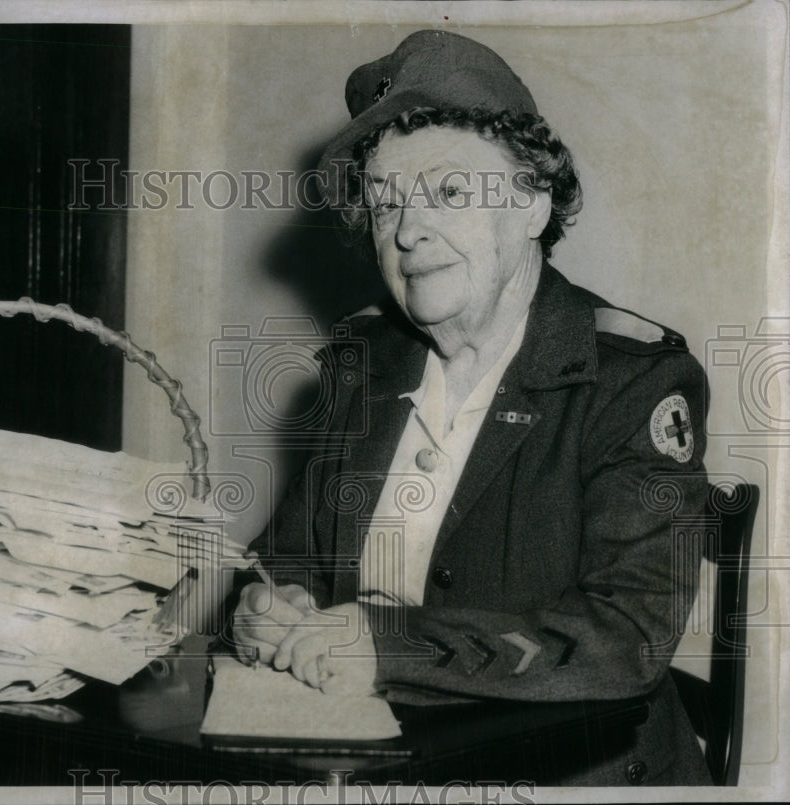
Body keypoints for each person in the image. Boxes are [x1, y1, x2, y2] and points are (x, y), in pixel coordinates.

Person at [231, 29, 711, 786]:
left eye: (450, 192)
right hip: (387, 759)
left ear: (532, 202)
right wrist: (268, 602)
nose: (409, 229)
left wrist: (388, 649)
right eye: (385, 202)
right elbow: (286, 556)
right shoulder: (362, 368)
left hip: (573, 774)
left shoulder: (634, 382)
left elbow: (627, 639)